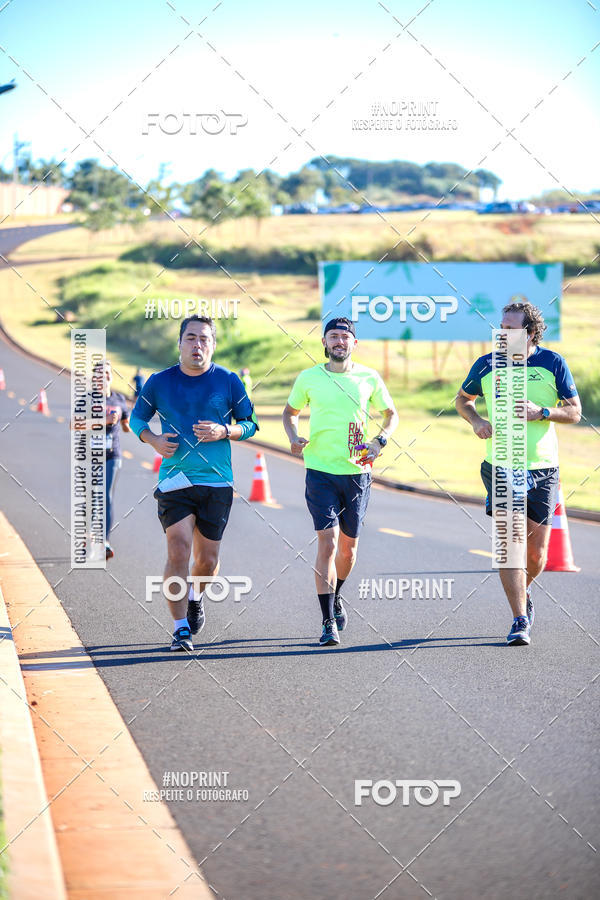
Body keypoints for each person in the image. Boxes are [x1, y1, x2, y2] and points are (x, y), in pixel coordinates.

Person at [130, 315, 258, 652]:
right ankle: (179, 628)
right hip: (175, 480)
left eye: (203, 339)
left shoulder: (229, 381)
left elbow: (250, 423)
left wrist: (224, 431)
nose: (197, 344)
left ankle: (196, 596)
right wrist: (153, 439)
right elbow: (136, 418)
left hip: (217, 481)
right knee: (178, 548)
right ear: (180, 343)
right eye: (190, 338)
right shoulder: (159, 381)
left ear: (212, 344)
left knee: (207, 560)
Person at [456, 301, 581, 646]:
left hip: (543, 468)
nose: (503, 333)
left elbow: (574, 412)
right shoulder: (487, 363)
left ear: (530, 332)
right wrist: (477, 420)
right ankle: (519, 618)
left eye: (511, 328)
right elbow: (463, 399)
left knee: (536, 555)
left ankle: (523, 590)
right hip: (499, 464)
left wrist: (541, 412)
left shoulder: (552, 363)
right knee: (509, 545)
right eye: (502, 327)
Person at [282, 316, 398, 647]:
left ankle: (336, 596)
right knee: (328, 541)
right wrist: (293, 436)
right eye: (333, 336)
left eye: (345, 337)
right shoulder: (309, 378)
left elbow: (391, 414)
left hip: (358, 472)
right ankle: (327, 621)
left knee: (348, 549)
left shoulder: (368, 378)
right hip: (319, 470)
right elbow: (290, 412)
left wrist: (380, 441)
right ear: (324, 342)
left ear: (354, 343)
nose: (339, 342)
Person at [71, 359, 130, 560]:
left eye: (107, 373)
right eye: (99, 374)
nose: (103, 377)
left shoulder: (119, 399)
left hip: (113, 455)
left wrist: (131, 426)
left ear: (111, 376)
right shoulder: (86, 399)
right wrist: (102, 420)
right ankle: (87, 537)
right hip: (89, 457)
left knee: (106, 496)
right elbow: (74, 424)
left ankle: (104, 541)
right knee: (91, 499)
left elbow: (126, 424)